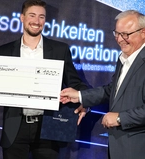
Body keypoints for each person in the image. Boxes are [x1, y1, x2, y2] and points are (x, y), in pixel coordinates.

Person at [0, 0, 88, 158]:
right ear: (22, 18)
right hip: (15, 127)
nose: (37, 21)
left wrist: (85, 100)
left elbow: (76, 83)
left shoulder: (60, 50)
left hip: (48, 126)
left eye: (41, 17)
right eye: (32, 15)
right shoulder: (5, 50)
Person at [60, 10, 145, 159]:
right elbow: (112, 91)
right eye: (117, 34)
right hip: (119, 147)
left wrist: (120, 118)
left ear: (143, 32)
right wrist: (79, 96)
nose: (120, 39)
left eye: (125, 34)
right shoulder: (124, 58)